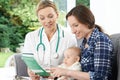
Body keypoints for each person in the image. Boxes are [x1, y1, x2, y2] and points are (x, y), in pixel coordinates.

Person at [50, 4, 113, 80]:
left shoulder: (100, 40)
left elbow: (100, 77)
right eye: (71, 27)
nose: (72, 31)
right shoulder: (84, 43)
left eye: (76, 25)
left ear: (87, 22)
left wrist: (67, 72)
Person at [22, 0, 77, 80]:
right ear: (38, 19)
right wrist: (32, 73)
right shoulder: (31, 37)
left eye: (50, 16)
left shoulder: (69, 37)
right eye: (42, 18)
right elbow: (29, 64)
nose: (47, 21)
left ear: (57, 15)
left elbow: (73, 66)